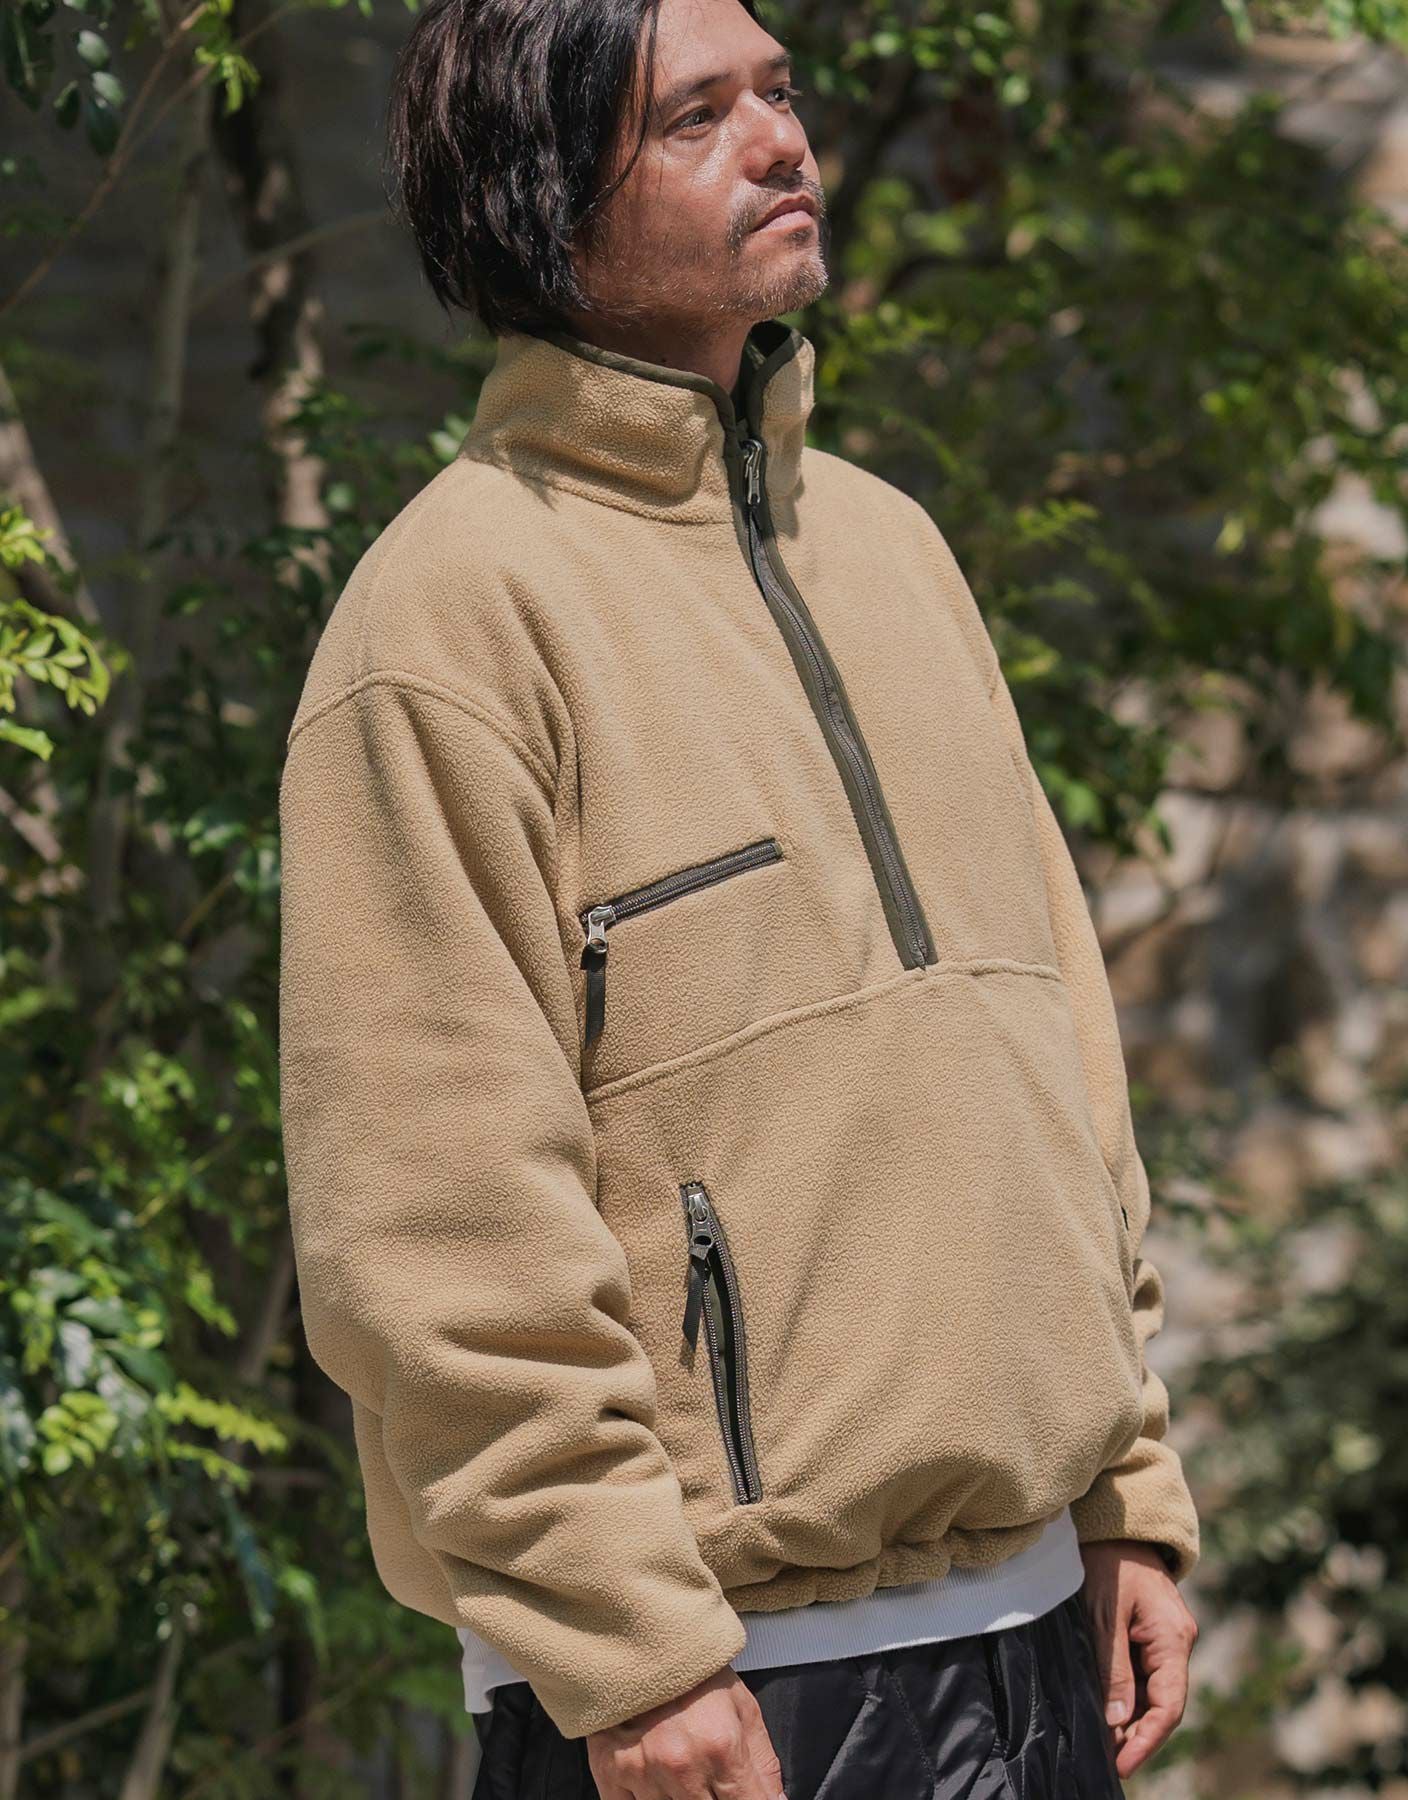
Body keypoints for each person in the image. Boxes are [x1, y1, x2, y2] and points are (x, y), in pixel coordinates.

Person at [276, 0, 1203, 1793]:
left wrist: (1124, 1488)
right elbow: (435, 1223)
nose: (782, 140)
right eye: (695, 116)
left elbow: (1059, 1055)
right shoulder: (450, 621)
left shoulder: (893, 549)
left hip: (1036, 1635)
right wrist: (627, 1651)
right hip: (720, 1690)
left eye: (778, 90)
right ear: (542, 194)